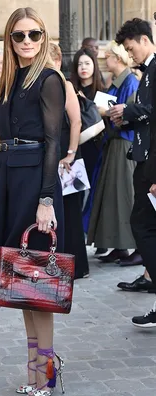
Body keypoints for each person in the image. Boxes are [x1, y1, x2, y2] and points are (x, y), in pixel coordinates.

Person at [0, 7, 65, 396]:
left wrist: (46, 199)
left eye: (34, 34)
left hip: (36, 182)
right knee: (21, 283)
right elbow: (2, 142)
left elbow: (53, 143)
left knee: (40, 285)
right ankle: (35, 371)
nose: (27, 41)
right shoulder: (8, 84)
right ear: (9, 40)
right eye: (19, 35)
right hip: (11, 179)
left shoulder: (49, 79)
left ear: (43, 37)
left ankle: (46, 373)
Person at [111, 18, 156, 327]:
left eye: (130, 49)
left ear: (144, 40)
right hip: (143, 159)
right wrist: (126, 118)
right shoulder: (147, 73)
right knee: (143, 226)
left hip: (151, 165)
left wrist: (126, 111)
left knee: (143, 227)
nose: (130, 56)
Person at [87, 40, 139, 263]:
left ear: (116, 58)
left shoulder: (130, 81)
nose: (104, 60)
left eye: (107, 56)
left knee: (124, 195)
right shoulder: (118, 81)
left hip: (123, 143)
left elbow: (128, 115)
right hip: (114, 142)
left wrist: (105, 112)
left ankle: (134, 246)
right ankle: (119, 246)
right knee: (112, 195)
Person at [50, 43, 89, 279]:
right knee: (58, 209)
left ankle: (77, 266)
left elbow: (76, 122)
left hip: (67, 153)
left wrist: (71, 153)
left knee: (70, 210)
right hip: (55, 151)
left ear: (57, 61)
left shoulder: (65, 85)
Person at [71, 48, 106, 255]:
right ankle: (77, 239)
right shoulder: (70, 89)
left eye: (87, 63)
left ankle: (99, 238)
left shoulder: (102, 93)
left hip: (96, 149)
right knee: (77, 194)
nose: (83, 68)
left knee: (97, 192)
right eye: (80, 64)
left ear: (94, 65)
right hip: (76, 151)